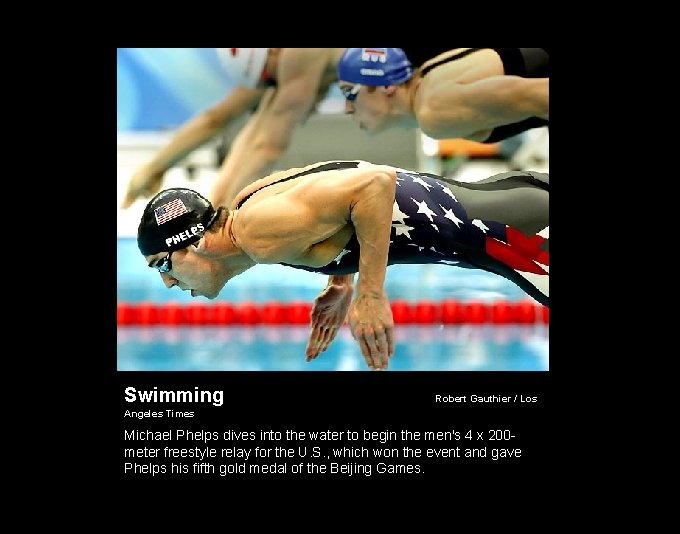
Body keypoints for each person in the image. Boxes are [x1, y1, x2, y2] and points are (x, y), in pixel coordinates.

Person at [136, 160, 549, 370]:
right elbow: (342, 177)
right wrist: (340, 281)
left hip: (525, 234)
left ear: (190, 244)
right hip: (514, 212)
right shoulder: (251, 203)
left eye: (162, 265)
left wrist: (370, 291)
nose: (169, 283)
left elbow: (374, 184)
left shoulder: (255, 233)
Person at [120, 48, 347, 210]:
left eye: (268, 77)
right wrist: (154, 168)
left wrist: (222, 223)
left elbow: (268, 147)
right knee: (269, 107)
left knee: (271, 111)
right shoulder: (271, 62)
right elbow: (217, 118)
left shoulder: (300, 55)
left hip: (381, 85)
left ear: (274, 52)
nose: (270, 84)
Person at [337, 48, 549, 143]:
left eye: (349, 93)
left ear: (385, 85)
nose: (347, 108)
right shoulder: (431, 76)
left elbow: (540, 96)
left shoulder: (433, 108)